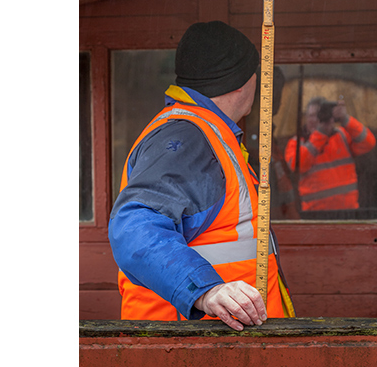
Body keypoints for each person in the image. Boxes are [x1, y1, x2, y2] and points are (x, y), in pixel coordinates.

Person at [108, 21, 294, 331]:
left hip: (212, 342)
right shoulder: (189, 139)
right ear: (242, 82)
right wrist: (206, 290)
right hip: (192, 343)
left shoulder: (207, 133)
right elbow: (134, 228)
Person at [285, 96, 376, 211]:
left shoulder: (342, 135)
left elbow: (368, 143)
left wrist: (345, 119)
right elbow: (298, 166)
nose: (316, 119)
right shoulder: (297, 142)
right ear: (305, 118)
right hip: (314, 215)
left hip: (348, 212)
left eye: (320, 114)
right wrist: (321, 134)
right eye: (312, 115)